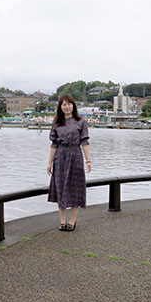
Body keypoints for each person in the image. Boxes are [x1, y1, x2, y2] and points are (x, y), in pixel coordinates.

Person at [46, 94, 91, 231]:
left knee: (75, 187)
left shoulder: (81, 122)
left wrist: (88, 160)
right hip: (60, 157)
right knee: (60, 187)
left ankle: (72, 220)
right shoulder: (57, 123)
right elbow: (54, 144)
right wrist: (49, 163)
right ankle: (62, 220)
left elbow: (84, 142)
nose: (67, 106)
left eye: (69, 104)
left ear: (73, 105)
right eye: (64, 104)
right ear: (60, 107)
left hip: (75, 156)